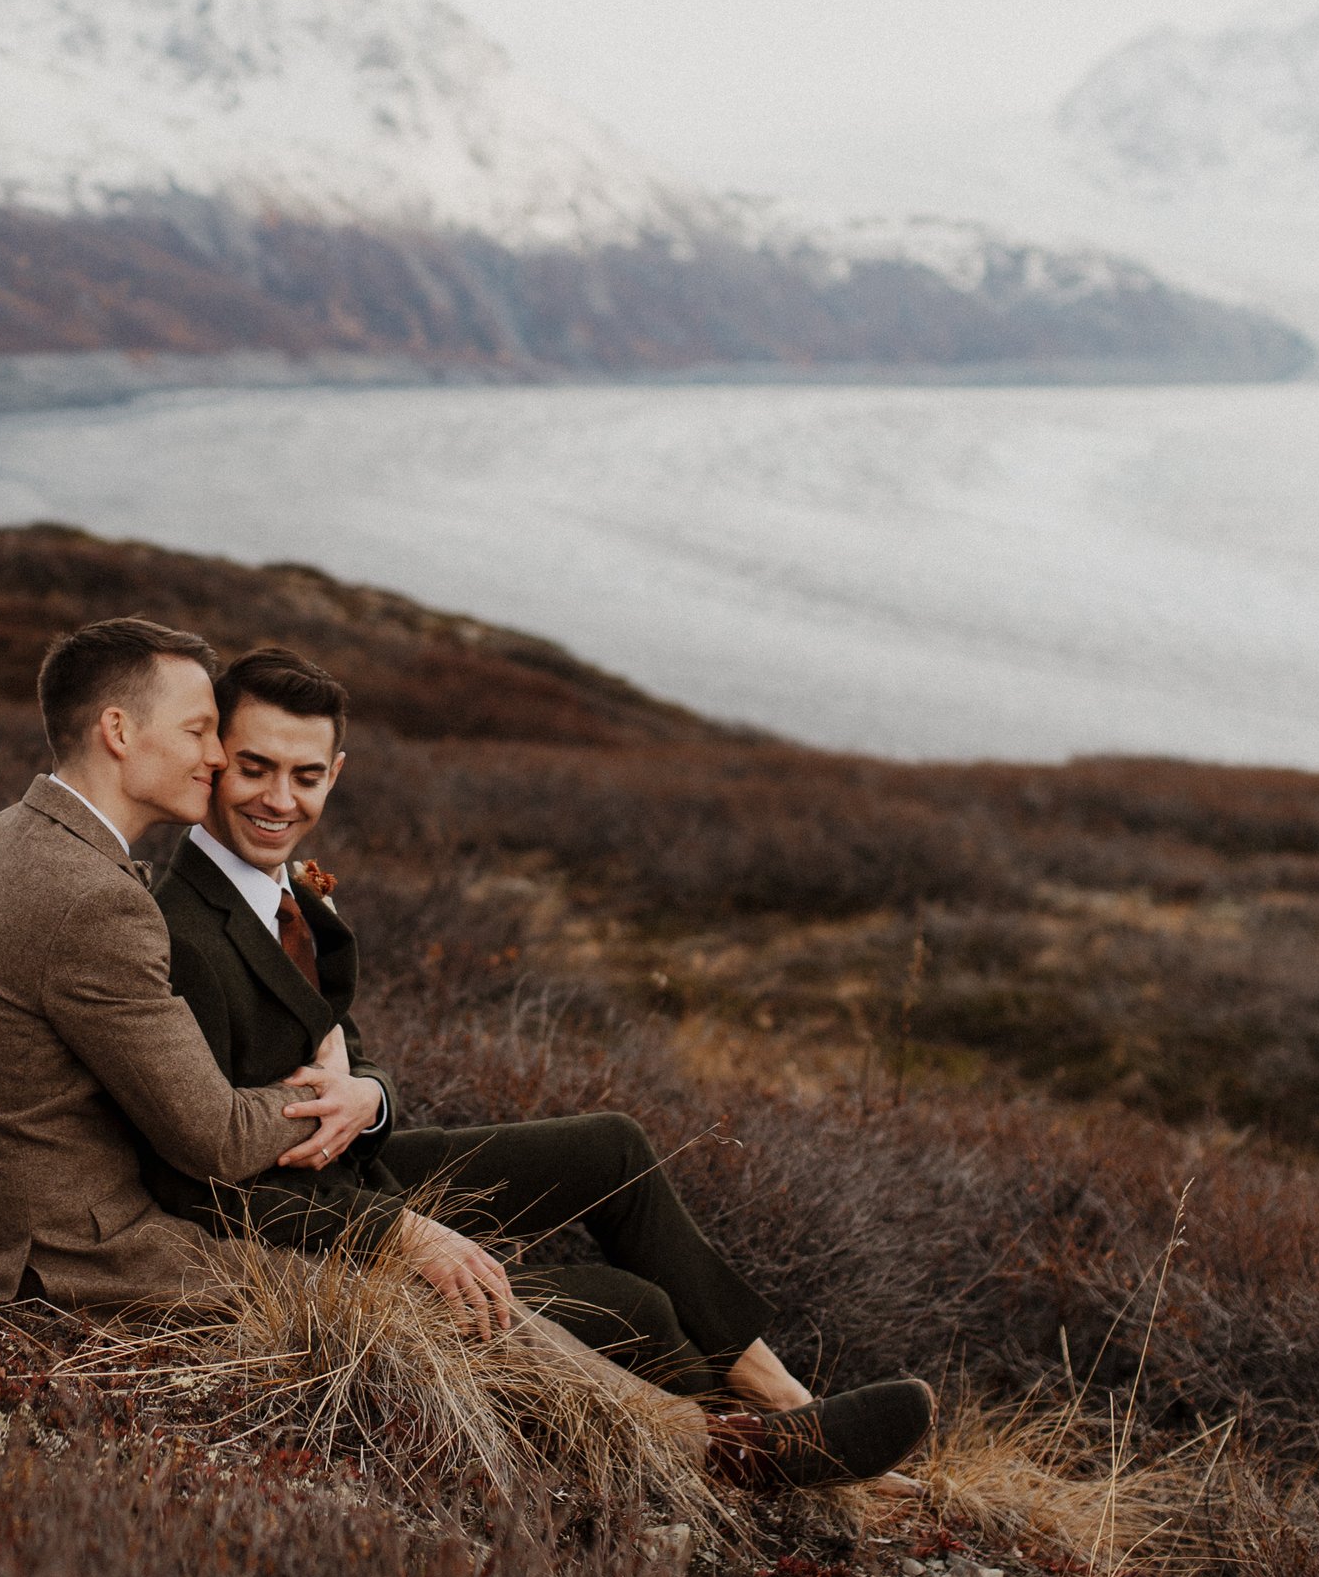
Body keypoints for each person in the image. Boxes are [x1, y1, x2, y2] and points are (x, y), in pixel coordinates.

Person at [0, 615, 739, 1480]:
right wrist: (335, 1102)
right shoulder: (101, 901)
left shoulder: (7, 835)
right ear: (118, 730)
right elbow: (212, 1140)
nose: (216, 761)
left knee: (537, 1224)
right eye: (202, 735)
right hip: (75, 1247)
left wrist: (363, 1093)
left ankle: (732, 1418)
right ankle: (712, 1450)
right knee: (416, 1305)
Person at [148, 639, 934, 1491]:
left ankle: (783, 1399)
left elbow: (344, 1043)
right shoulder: (181, 932)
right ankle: (756, 1455)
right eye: (256, 767)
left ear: (335, 772)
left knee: (614, 1146)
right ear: (215, 757)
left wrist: (368, 1095)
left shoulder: (284, 889)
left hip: (358, 1164)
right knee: (631, 1306)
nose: (279, 797)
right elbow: (202, 1178)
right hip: (299, 1228)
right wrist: (398, 1233)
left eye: (305, 775)